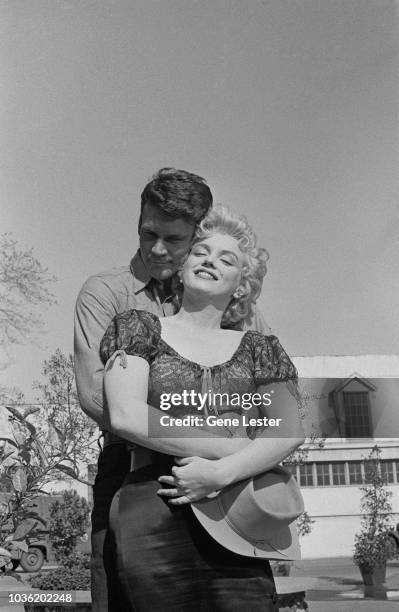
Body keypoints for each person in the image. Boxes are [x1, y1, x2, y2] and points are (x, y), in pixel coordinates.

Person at [74, 169, 271, 612]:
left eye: (175, 239)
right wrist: (224, 445)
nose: (157, 248)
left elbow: (272, 406)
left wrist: (227, 467)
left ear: (199, 233)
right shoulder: (107, 294)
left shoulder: (238, 307)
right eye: (149, 232)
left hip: (228, 482)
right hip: (131, 468)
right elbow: (97, 399)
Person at [100, 205, 305, 611]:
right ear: (181, 267)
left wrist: (220, 473)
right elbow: (125, 414)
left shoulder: (261, 349)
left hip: (239, 506)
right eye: (201, 252)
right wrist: (235, 451)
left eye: (226, 259)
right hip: (154, 503)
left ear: (242, 285)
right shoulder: (139, 327)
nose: (210, 260)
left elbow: (291, 429)